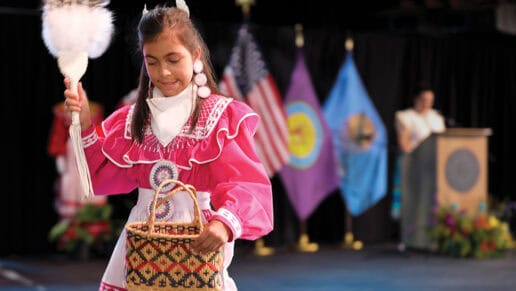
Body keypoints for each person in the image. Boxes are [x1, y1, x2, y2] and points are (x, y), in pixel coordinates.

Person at [63, 3, 273, 291]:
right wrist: (85, 123)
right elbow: (99, 176)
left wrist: (224, 223)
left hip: (197, 244)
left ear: (196, 55)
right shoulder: (132, 119)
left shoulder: (219, 117)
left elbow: (247, 184)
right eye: (152, 61)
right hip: (140, 247)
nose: (163, 72)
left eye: (174, 59)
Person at [392, 83, 446, 251]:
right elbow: (404, 144)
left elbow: (444, 144)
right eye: (424, 99)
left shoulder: (437, 118)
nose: (427, 104)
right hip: (413, 167)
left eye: (430, 100)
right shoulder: (405, 117)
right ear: (416, 99)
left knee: (432, 203)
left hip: (435, 170)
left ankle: (433, 239)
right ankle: (408, 238)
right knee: (412, 203)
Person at [47, 100, 107, 220]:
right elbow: (59, 134)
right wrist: (60, 156)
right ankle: (72, 229)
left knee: (90, 179)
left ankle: (93, 225)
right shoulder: (62, 110)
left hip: (90, 147)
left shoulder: (94, 109)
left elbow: (100, 131)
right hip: (72, 153)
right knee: (72, 182)